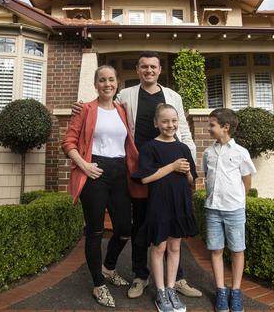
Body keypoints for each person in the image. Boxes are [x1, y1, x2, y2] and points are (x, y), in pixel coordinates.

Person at [72, 51, 201, 299]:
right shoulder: (126, 95)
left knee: (173, 228)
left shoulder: (173, 96)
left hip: (171, 172)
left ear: (160, 70)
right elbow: (103, 102)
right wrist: (79, 107)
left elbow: (183, 131)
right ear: (138, 70)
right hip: (140, 171)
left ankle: (178, 279)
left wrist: (191, 169)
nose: (149, 71)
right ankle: (140, 276)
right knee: (141, 226)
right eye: (144, 67)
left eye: (153, 66)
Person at [62, 65, 143, 308]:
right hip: (94, 172)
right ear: (95, 84)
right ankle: (98, 284)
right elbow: (68, 142)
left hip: (120, 173)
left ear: (117, 83)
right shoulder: (85, 109)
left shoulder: (122, 110)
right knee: (96, 231)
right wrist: (84, 166)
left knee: (123, 229)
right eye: (101, 80)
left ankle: (108, 268)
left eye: (111, 80)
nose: (107, 84)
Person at [132, 103, 199, 312]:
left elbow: (190, 180)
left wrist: (187, 172)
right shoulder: (149, 147)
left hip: (179, 202)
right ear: (156, 123)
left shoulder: (183, 148)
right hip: (159, 204)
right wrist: (171, 167)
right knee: (159, 247)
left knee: (175, 247)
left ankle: (171, 288)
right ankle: (160, 291)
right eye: (165, 121)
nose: (170, 125)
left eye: (173, 121)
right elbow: (144, 179)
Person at [202, 108, 257, 312]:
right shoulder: (208, 153)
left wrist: (239, 202)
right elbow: (207, 175)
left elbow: (247, 180)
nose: (209, 129)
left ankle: (235, 291)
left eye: (212, 125)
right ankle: (221, 291)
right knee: (216, 250)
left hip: (234, 210)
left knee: (237, 250)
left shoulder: (241, 153)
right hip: (213, 209)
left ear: (225, 127)